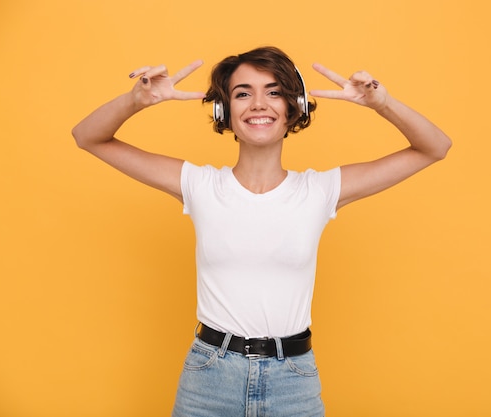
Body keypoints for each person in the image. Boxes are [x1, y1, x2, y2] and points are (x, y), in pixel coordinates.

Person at [72, 46, 451, 417]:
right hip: (208, 378)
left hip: (294, 379)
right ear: (224, 110)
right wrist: (135, 101)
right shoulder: (200, 185)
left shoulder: (319, 191)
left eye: (274, 92)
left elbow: (434, 147)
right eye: (242, 94)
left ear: (294, 108)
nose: (258, 104)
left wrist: (381, 103)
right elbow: (88, 136)